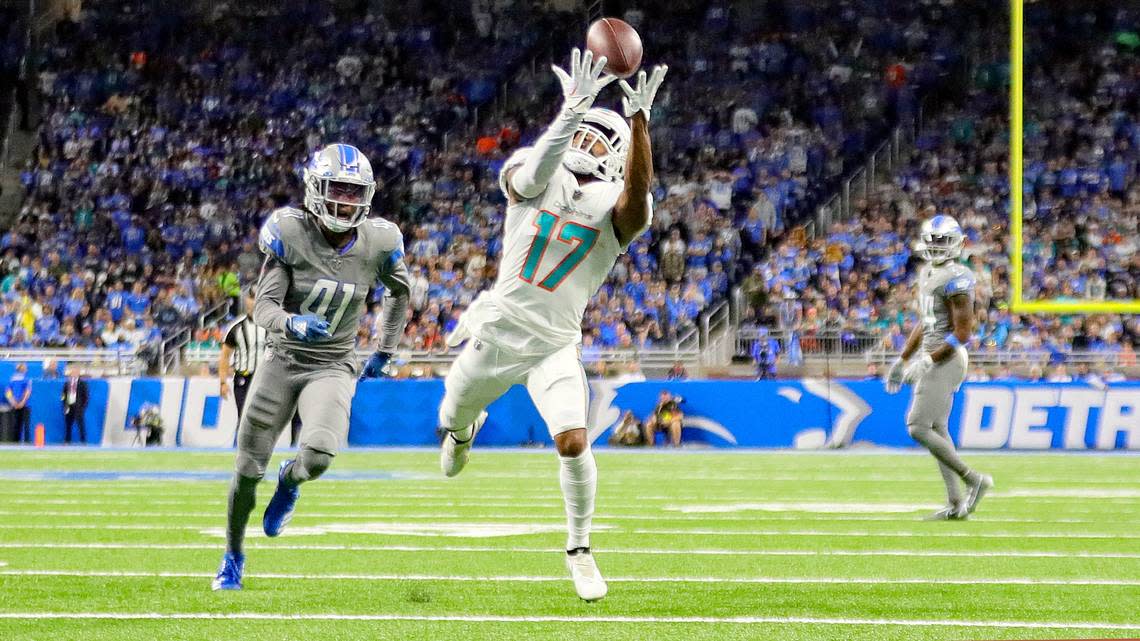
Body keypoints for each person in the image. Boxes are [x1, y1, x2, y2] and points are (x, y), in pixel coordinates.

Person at [435, 49, 667, 601]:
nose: (586, 145)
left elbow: (636, 204)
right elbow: (532, 175)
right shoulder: (539, 168)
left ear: (617, 157)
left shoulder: (616, 200)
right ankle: (466, 430)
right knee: (451, 415)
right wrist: (572, 110)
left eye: (598, 141)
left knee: (572, 439)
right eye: (583, 135)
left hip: (553, 348)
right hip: (496, 332)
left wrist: (638, 125)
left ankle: (580, 549)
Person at [212, 143, 410, 591]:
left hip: (333, 363)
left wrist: (385, 349)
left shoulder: (381, 240)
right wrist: (291, 321)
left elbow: (400, 292)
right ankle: (233, 555)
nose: (345, 201)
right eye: (337, 190)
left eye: (354, 192)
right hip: (282, 359)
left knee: (319, 453)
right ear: (315, 190)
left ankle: (290, 479)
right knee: (246, 470)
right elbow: (263, 306)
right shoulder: (290, 231)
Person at [885, 215, 993, 521]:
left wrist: (926, 360)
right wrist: (903, 358)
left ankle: (974, 479)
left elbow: (962, 334)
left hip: (945, 358)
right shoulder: (928, 273)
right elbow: (926, 321)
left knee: (917, 426)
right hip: (932, 355)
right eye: (933, 241)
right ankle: (956, 503)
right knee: (938, 429)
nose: (936, 247)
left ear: (957, 243)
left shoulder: (959, 277)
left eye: (943, 241)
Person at [219, 285, 302, 446]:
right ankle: (243, 452)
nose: (253, 302)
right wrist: (222, 381)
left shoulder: (275, 325)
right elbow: (224, 356)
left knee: (283, 414)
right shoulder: (236, 328)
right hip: (245, 378)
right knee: (245, 417)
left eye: (257, 298)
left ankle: (292, 446)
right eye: (251, 298)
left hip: (269, 379)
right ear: (246, 300)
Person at [61, 366, 89, 444]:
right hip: (69, 406)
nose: (73, 374)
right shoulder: (67, 383)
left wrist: (82, 407)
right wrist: (64, 405)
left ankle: (83, 441)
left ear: (78, 374)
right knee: (68, 424)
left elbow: (86, 396)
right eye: (72, 373)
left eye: (75, 372)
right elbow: (63, 395)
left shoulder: (83, 383)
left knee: (81, 424)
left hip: (78, 407)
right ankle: (67, 440)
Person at [5, 363, 31, 444]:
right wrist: (22, 402)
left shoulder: (11, 379)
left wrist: (13, 402)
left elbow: (8, 392)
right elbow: (27, 391)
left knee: (16, 425)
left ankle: (15, 443)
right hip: (25, 405)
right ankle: (26, 443)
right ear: (23, 369)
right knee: (26, 425)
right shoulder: (26, 379)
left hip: (15, 405)